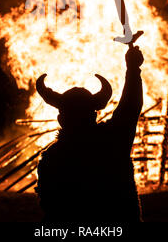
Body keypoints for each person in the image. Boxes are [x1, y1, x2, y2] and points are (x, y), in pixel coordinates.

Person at [35, 45, 144, 223]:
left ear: (61, 120)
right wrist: (133, 68)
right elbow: (130, 108)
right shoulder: (112, 141)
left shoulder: (51, 158)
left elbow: (49, 205)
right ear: (94, 115)